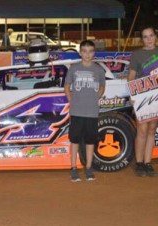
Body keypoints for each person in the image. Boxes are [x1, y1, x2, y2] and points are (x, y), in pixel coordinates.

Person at [64, 40, 105, 182]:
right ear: (80, 52)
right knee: (74, 140)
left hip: (92, 112)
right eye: (85, 51)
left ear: (94, 53)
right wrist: (71, 100)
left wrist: (96, 98)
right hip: (76, 112)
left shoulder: (98, 70)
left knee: (90, 141)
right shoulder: (74, 68)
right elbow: (67, 86)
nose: (87, 54)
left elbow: (102, 87)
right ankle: (73, 168)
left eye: (90, 51)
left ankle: (88, 168)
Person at [128, 26, 158, 177]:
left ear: (156, 37)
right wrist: (133, 95)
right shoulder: (137, 54)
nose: (149, 39)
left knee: (152, 129)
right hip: (142, 96)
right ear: (141, 39)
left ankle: (148, 162)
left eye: (151, 36)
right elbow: (131, 76)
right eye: (145, 36)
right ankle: (139, 163)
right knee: (142, 130)